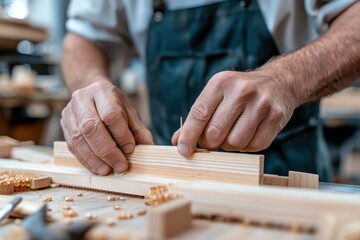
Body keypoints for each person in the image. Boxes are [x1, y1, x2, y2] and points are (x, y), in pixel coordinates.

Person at [61, 0, 360, 181]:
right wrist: (90, 86)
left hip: (287, 167)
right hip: (173, 171)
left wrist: (288, 79)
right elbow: (83, 38)